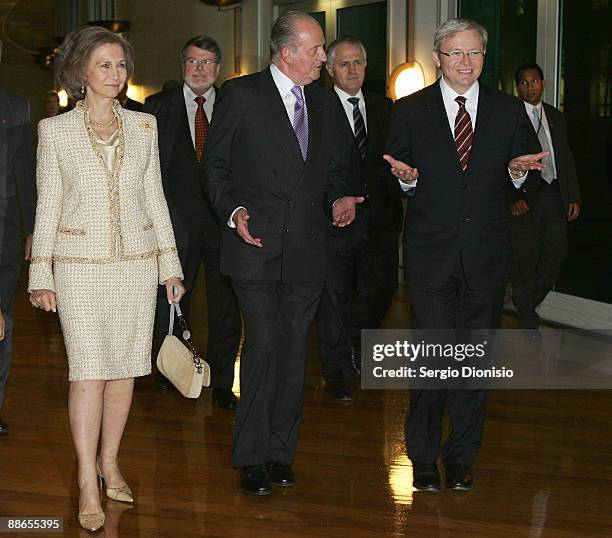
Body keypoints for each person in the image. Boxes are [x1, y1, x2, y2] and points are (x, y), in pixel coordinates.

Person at [27, 26, 184, 531]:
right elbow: (47, 205)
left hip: (136, 266)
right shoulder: (55, 132)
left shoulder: (145, 127)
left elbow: (155, 198)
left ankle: (110, 462)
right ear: (81, 73)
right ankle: (83, 478)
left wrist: (170, 266)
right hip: (78, 269)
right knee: (87, 371)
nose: (115, 74)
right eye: (105, 65)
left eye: (120, 65)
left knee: (125, 371)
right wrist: (40, 274)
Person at [202, 11, 362, 496]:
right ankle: (250, 456)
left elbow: (337, 166)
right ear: (287, 52)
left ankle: (279, 452)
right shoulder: (241, 94)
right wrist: (234, 211)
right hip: (256, 248)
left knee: (294, 354)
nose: (322, 58)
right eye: (315, 50)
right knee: (265, 344)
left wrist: (339, 197)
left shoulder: (324, 101)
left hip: (308, 252)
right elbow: (215, 165)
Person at [384, 18, 547, 492]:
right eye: (456, 53)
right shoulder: (411, 110)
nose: (466, 62)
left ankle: (460, 457)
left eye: (474, 53)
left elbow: (530, 171)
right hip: (430, 256)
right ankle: (422, 457)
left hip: (486, 257)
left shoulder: (508, 109)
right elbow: (397, 171)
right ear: (438, 58)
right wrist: (406, 180)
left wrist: (518, 175)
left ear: (483, 57)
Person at [144, 36, 241, 410]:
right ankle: (168, 370)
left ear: (218, 69)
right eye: (192, 62)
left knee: (225, 307)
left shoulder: (236, 105)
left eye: (207, 62)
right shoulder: (156, 108)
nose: (199, 69)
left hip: (225, 224)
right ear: (182, 66)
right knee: (168, 304)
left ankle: (221, 382)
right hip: (175, 226)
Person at [317, 36, 401, 400]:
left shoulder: (386, 108)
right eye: (345, 64)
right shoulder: (316, 108)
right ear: (330, 69)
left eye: (359, 63)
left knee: (384, 289)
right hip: (333, 221)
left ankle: (354, 340)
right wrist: (333, 199)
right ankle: (336, 372)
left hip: (380, 220)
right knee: (335, 297)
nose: (353, 70)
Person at [510, 63, 581, 337]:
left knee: (557, 252)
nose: (530, 87)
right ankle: (527, 320)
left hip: (554, 193)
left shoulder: (555, 116)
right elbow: (499, 163)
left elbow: (566, 156)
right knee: (524, 259)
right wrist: (512, 197)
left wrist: (573, 195)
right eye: (524, 83)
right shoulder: (510, 116)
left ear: (543, 83)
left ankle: (524, 304)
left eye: (535, 81)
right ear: (518, 87)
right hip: (524, 197)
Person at [0, 39, 37, 436]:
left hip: (4, 236)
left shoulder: (16, 108)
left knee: (1, 321)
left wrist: (32, 232)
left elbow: (27, 176)